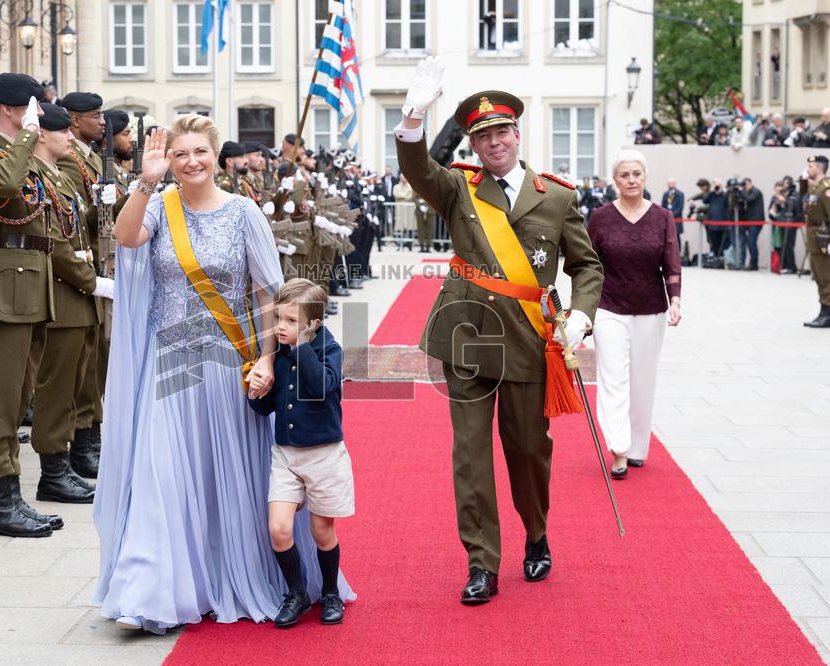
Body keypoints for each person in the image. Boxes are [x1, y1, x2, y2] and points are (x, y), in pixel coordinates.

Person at [94, 114, 353, 633]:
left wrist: (266, 358)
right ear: (170, 160)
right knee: (161, 476)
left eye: (200, 152)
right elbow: (125, 239)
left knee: (226, 477)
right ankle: (152, 590)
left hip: (230, 365)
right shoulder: (161, 208)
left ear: (216, 157)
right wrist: (145, 180)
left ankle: (249, 575)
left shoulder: (244, 213)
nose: (191, 161)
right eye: (180, 153)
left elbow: (268, 294)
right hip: (170, 364)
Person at [396, 57, 604, 603]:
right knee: (470, 453)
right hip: (467, 334)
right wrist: (414, 116)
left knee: (530, 450)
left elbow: (587, 266)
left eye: (501, 132)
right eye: (481, 136)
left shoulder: (556, 196)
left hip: (530, 339)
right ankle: (482, 561)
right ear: (473, 145)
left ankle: (536, 533)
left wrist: (580, 315)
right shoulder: (459, 189)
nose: (493, 143)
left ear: (517, 133)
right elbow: (418, 170)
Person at [0, 73, 67, 537]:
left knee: (18, 398)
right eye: (33, 106)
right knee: (0, 401)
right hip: (7, 290)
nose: (41, 114)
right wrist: (28, 135)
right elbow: (3, 187)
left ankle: (12, 495)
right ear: (10, 109)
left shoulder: (22, 155)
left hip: (30, 287)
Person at [247, 278, 354, 628]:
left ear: (313, 325)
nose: (281, 327)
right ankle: (295, 592)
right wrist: (257, 392)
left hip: (324, 455)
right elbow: (266, 411)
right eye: (279, 318)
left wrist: (304, 345)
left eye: (291, 321)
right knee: (279, 529)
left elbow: (320, 387)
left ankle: (329, 592)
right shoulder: (275, 354)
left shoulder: (330, 350)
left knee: (323, 532)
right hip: (286, 455)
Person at [26, 102, 109, 504]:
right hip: (63, 293)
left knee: (77, 382)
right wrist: (92, 282)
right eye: (63, 133)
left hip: (78, 295)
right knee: (58, 389)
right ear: (44, 134)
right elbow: (54, 245)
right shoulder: (38, 179)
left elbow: (78, 229)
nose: (69, 140)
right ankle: (52, 472)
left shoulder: (58, 178)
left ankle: (67, 462)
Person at [587, 150, 681, 479]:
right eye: (625, 174)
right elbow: (588, 265)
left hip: (651, 308)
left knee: (643, 379)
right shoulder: (599, 217)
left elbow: (671, 262)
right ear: (615, 180)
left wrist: (676, 300)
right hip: (608, 306)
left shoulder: (662, 217)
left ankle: (639, 446)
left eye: (637, 174)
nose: (631, 180)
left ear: (645, 177)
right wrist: (583, 308)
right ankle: (619, 449)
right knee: (613, 377)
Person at [802, 155, 830, 328]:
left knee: (826, 277)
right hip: (814, 238)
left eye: (811, 166)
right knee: (819, 276)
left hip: (823, 238)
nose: (808, 169)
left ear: (820, 168)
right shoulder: (814, 188)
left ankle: (827, 314)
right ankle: (823, 310)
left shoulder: (826, 189)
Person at [769, 176, 801, 274]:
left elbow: (794, 205)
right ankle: (784, 265)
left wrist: (784, 200)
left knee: (788, 245)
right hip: (782, 221)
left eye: (785, 183)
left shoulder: (794, 194)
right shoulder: (783, 194)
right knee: (782, 245)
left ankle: (791, 267)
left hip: (791, 222)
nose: (783, 186)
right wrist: (777, 203)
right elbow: (777, 208)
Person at [738, 178, 766, 271]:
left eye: (745, 184)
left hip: (756, 221)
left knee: (751, 241)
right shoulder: (746, 193)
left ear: (750, 183)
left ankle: (753, 263)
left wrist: (741, 191)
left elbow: (749, 199)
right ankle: (751, 263)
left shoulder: (756, 192)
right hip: (749, 221)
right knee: (749, 242)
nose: (744, 187)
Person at [661, 178, 684, 246]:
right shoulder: (665, 194)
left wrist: (672, 215)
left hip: (676, 219)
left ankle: (678, 254)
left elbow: (680, 207)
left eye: (672, 183)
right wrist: (666, 215)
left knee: (677, 236)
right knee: (667, 236)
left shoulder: (680, 194)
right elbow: (663, 205)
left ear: (675, 184)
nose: (671, 185)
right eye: (669, 183)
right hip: (667, 218)